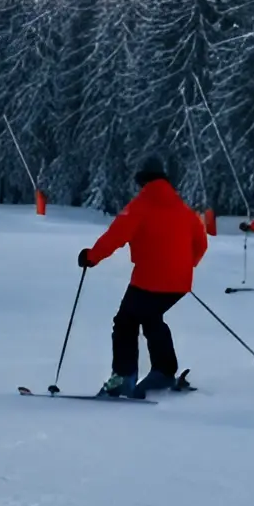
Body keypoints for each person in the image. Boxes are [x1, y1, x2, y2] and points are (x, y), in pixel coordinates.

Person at [80, 160, 207, 397]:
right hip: (179, 282)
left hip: (150, 279)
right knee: (150, 318)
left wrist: (91, 256)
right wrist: (184, 265)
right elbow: (201, 242)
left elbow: (116, 235)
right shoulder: (183, 209)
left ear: (142, 182)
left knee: (125, 322)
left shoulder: (140, 205)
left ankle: (124, 377)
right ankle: (163, 371)